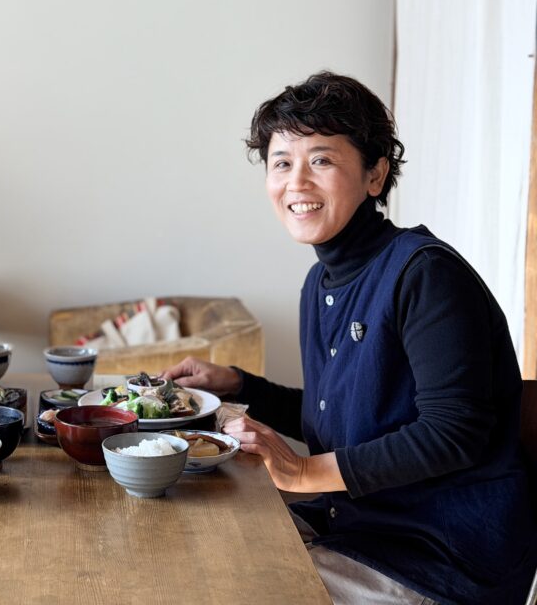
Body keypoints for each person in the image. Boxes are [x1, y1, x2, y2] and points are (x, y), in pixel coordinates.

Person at [163, 72, 536, 604]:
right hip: (356, 528)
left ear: (375, 175)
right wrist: (239, 385)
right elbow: (344, 418)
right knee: (190, 545)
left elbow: (454, 432)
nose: (297, 182)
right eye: (281, 163)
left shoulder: (425, 273)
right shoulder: (320, 283)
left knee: (222, 586)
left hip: (438, 557)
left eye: (321, 160)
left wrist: (303, 470)